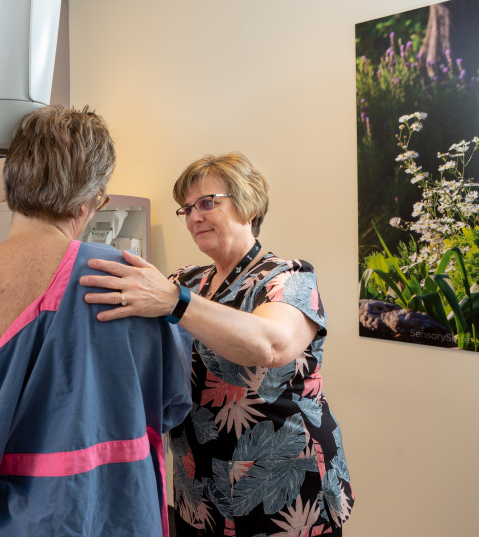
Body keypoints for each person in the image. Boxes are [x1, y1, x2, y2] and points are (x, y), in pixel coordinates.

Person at [0, 105, 193, 537]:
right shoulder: (139, 286)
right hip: (109, 514)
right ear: (92, 202)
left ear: (11, 185)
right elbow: (170, 406)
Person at [80, 152, 354, 537]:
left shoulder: (289, 278)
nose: (193, 217)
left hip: (284, 489)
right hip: (199, 488)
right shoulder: (184, 280)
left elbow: (270, 344)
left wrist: (175, 302)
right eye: (186, 209)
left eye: (207, 203)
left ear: (250, 205)